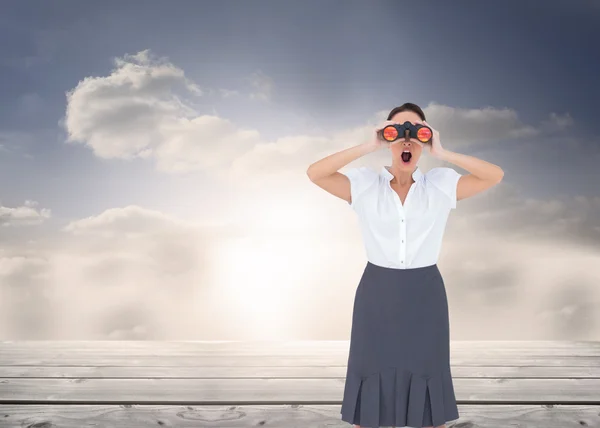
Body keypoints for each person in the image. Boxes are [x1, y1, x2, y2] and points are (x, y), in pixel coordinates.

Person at [306, 103, 504, 428]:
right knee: (370, 390)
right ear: (388, 137)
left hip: (425, 295)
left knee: (429, 393)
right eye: (398, 132)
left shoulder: (440, 185)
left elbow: (494, 175)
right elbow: (315, 173)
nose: (407, 140)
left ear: (424, 141)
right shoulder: (365, 185)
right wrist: (370, 144)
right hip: (376, 295)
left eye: (416, 132)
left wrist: (443, 151)